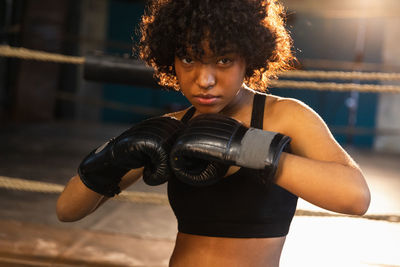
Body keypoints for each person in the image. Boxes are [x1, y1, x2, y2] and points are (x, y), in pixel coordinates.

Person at [56, 0, 371, 266]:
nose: (204, 79)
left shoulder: (285, 116)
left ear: (248, 58)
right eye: (189, 59)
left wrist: (246, 148)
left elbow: (355, 198)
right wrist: (115, 155)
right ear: (171, 60)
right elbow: (67, 210)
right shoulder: (171, 128)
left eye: (223, 60)